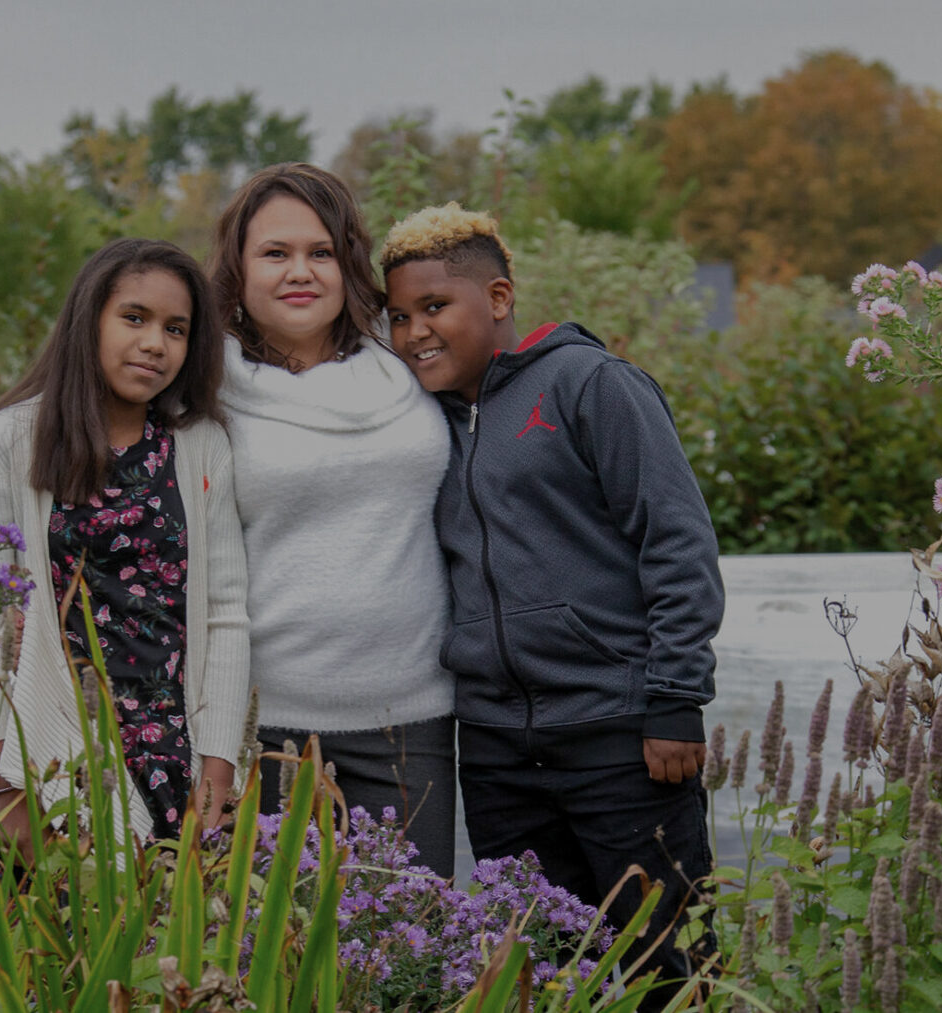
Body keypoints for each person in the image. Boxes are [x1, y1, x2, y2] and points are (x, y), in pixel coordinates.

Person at [380, 203, 723, 1003]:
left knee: (665, 963)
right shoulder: (420, 421)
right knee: (538, 969)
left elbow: (675, 539)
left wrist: (676, 697)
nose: (414, 333)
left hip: (620, 740)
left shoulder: (590, 386)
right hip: (498, 751)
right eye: (397, 316)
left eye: (435, 308)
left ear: (498, 299)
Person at [207, 163, 456, 877]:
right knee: (272, 968)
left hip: (412, 722)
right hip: (266, 729)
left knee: (407, 960)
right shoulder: (200, 387)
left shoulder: (408, 360)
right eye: (275, 253)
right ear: (238, 266)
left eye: (320, 252)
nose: (301, 272)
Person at [0, 238, 250, 846]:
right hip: (53, 750)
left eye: (176, 329)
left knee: (184, 937)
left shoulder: (199, 446)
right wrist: (5, 782)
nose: (155, 343)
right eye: (135, 318)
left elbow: (224, 610)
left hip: (176, 746)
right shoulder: (10, 442)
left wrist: (221, 757)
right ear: (88, 319)